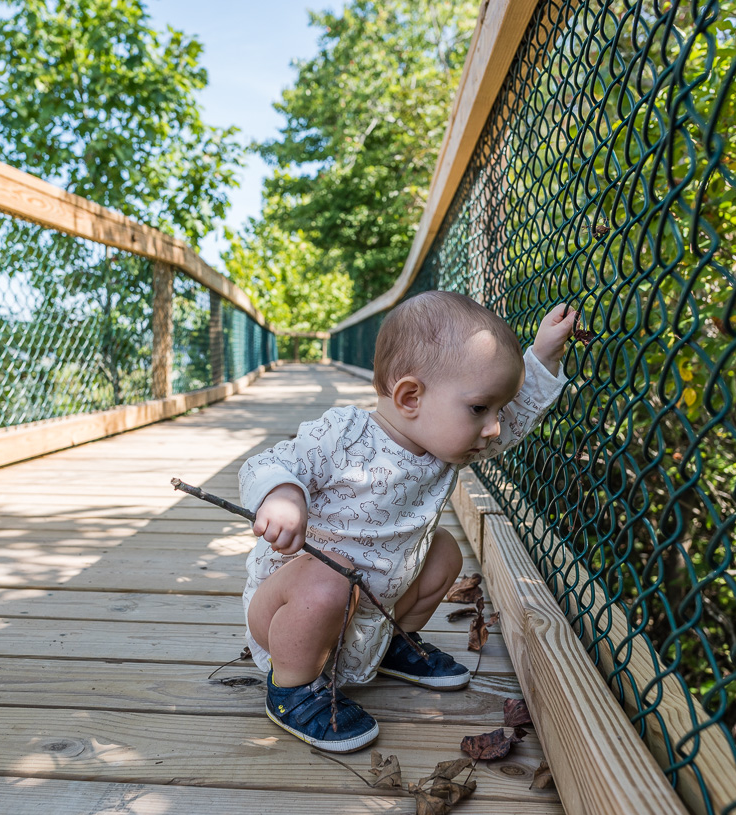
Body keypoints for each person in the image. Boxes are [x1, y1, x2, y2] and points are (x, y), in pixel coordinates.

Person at [238, 290, 575, 752]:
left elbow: (513, 424)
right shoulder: (345, 435)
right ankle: (292, 689)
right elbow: (268, 463)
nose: (494, 427)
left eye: (495, 411)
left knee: (443, 552)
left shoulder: (444, 446)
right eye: (480, 409)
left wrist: (541, 356)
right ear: (410, 396)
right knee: (331, 577)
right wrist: (283, 497)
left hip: (374, 609)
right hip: (291, 614)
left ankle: (396, 642)